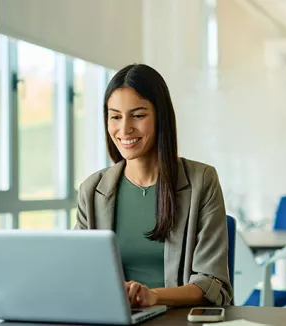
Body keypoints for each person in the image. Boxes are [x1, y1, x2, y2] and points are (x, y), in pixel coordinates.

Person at [75, 64, 231, 307]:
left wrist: (153, 296)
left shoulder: (202, 181)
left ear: (161, 117)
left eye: (138, 115)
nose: (124, 129)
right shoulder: (92, 190)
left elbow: (211, 283)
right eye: (115, 116)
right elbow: (79, 273)